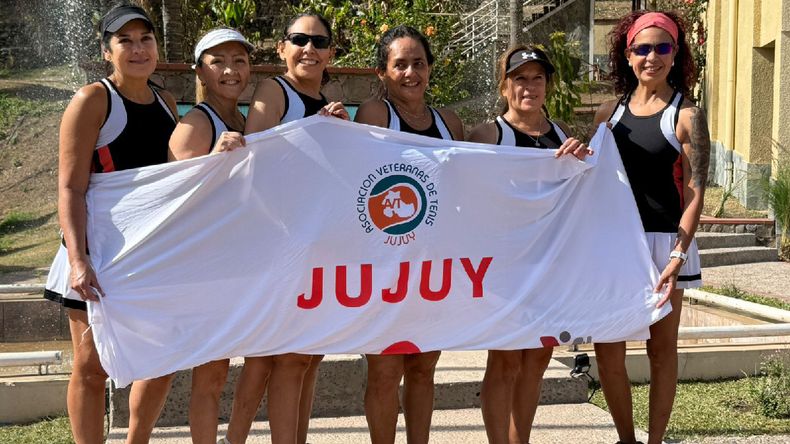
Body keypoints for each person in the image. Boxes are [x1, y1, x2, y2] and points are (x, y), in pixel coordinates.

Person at [43, 3, 179, 443]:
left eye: (146, 39)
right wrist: (79, 260)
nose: (138, 49)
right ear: (107, 51)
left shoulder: (167, 101)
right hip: (97, 253)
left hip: (148, 256)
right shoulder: (92, 99)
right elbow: (69, 189)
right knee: (91, 366)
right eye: (125, 41)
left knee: (163, 360)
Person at [222, 12, 348, 444]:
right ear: (281, 48)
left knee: (306, 358)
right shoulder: (274, 91)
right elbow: (257, 162)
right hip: (281, 244)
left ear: (331, 52)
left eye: (318, 41)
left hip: (317, 245)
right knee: (278, 360)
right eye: (299, 39)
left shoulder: (329, 105)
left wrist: (339, 133)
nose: (308, 48)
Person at [591, 11, 708, 444]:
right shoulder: (608, 113)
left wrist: (679, 253)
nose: (652, 57)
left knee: (660, 350)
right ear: (628, 54)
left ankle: (654, 440)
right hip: (615, 245)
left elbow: (697, 189)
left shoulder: (688, 115)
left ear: (675, 54)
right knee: (608, 351)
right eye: (643, 48)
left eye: (662, 48)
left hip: (665, 243)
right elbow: (591, 176)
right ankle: (626, 438)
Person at [467, 44, 591, 444]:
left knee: (536, 363)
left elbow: (585, 195)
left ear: (547, 86)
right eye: (520, 78)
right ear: (505, 85)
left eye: (537, 78)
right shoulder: (488, 136)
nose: (529, 86)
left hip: (549, 269)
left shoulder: (563, 138)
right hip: (505, 271)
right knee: (504, 364)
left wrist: (584, 159)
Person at [353, 25, 464, 444]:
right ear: (382, 73)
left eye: (418, 63)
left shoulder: (450, 122)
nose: (410, 72)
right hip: (383, 265)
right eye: (400, 64)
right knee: (384, 371)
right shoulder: (374, 115)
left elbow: (474, 182)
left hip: (432, 265)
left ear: (430, 68)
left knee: (423, 368)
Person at [167, 27, 252, 444]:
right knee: (210, 375)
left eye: (239, 60)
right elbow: (173, 196)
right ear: (200, 70)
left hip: (236, 260)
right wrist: (213, 161)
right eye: (218, 61)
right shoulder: (197, 122)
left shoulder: (245, 117)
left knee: (223, 370)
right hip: (207, 265)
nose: (230, 70)